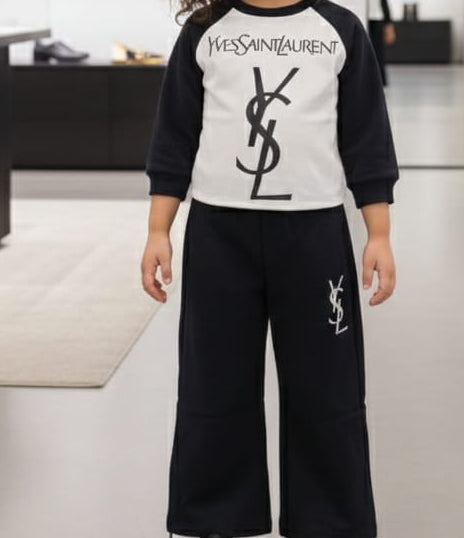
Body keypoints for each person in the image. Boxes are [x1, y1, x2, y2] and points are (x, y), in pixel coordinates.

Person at [141, 0, 400, 536]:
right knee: (213, 384)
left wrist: (378, 234)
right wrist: (157, 230)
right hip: (219, 235)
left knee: (327, 387)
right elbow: (175, 136)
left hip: (315, 235)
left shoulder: (340, 29)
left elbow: (366, 136)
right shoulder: (206, 31)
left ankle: (330, 520)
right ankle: (214, 516)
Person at [368, 0, 396, 86]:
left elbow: (383, 2)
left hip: (376, 18)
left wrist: (388, 23)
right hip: (359, 16)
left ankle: (379, 81)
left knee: (378, 52)